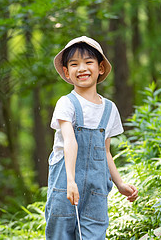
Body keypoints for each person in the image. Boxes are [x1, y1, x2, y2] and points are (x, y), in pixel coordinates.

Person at [45, 36, 138, 239]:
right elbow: (70, 141)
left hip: (96, 192)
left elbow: (105, 152)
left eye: (88, 62)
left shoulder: (109, 109)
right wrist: (71, 181)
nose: (82, 68)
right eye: (74, 64)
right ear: (66, 72)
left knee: (94, 235)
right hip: (65, 187)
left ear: (101, 68)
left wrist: (120, 183)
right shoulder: (66, 103)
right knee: (60, 234)